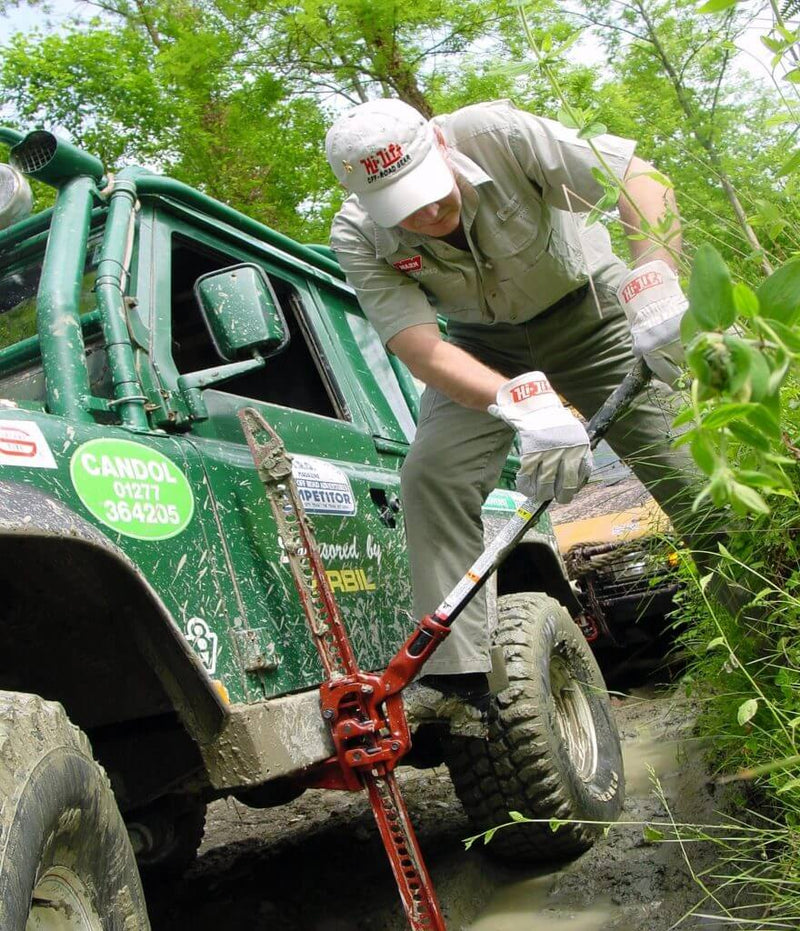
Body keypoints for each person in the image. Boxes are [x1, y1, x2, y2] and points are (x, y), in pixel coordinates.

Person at [325, 97, 698, 705]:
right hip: (481, 347)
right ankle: (462, 677)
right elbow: (419, 347)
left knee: (683, 463)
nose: (426, 210)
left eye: (428, 187)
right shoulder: (357, 234)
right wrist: (511, 400)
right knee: (432, 476)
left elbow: (637, 177)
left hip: (592, 311)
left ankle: (759, 608)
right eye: (402, 206)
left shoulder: (495, 134)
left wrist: (655, 277)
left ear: (440, 148)